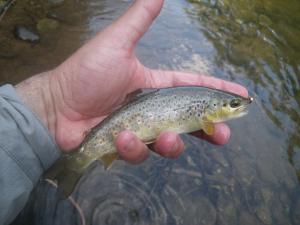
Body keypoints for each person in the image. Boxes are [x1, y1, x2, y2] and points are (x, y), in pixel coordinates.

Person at [0, 0, 248, 224]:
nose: (238, 107)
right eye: (234, 105)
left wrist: (49, 102)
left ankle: (65, 167)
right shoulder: (206, 119)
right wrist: (52, 100)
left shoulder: (207, 115)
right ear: (211, 110)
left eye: (234, 105)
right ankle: (73, 164)